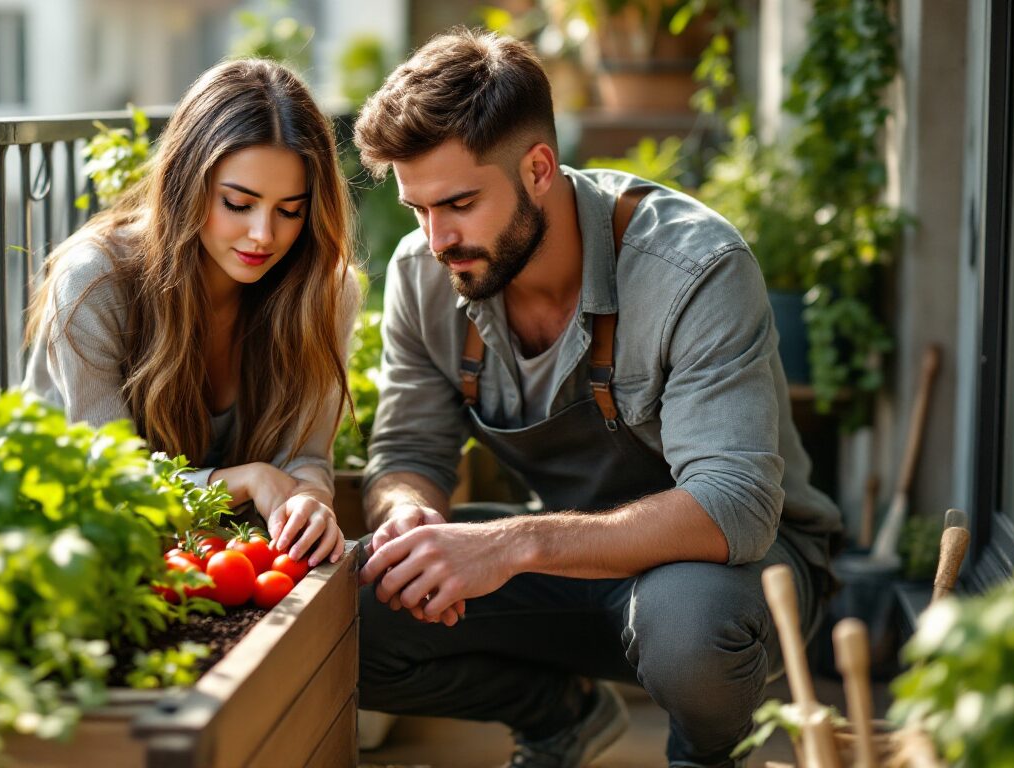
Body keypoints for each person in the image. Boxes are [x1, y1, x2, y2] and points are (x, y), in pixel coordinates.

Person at [351, 29, 844, 768]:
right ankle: (562, 718)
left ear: (538, 168)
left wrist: (513, 544)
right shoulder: (426, 269)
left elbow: (734, 505)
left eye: (458, 203)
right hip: (570, 568)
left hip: (737, 579)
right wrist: (408, 515)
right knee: (347, 610)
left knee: (689, 628)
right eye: (417, 208)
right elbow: (407, 449)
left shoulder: (693, 268)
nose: (437, 237)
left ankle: (707, 755)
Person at [23, 58, 359, 567]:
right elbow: (112, 484)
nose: (264, 235)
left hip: (217, 561)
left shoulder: (324, 292)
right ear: (185, 184)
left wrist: (309, 499)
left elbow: (305, 457)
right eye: (238, 204)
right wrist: (238, 481)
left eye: (290, 210)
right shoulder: (94, 280)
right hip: (74, 553)